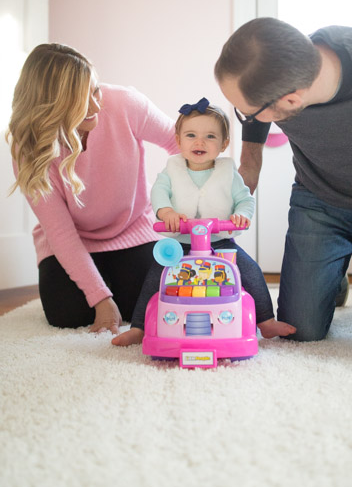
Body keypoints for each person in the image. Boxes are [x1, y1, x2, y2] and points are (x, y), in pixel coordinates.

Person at [214, 17, 352, 346]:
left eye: (247, 113)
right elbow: (256, 119)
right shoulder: (278, 73)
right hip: (319, 202)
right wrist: (249, 164)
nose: (246, 118)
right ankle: (331, 279)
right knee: (301, 332)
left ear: (292, 101)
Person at [7, 43, 179, 334]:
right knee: (67, 314)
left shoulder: (125, 103)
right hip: (72, 238)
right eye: (80, 100)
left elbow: (180, 143)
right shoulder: (29, 147)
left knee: (150, 302)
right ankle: (103, 283)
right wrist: (99, 297)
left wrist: (172, 201)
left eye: (95, 90)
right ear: (51, 105)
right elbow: (60, 231)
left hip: (132, 229)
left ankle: (114, 282)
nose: (97, 105)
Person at [112, 98, 296, 346]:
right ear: (178, 141)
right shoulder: (172, 170)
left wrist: (242, 215)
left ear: (223, 144)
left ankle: (265, 321)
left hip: (220, 242)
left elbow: (245, 200)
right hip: (181, 244)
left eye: (210, 136)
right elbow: (158, 193)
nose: (199, 142)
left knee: (250, 270)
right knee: (156, 276)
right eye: (191, 135)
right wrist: (166, 213)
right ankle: (138, 327)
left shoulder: (227, 172)